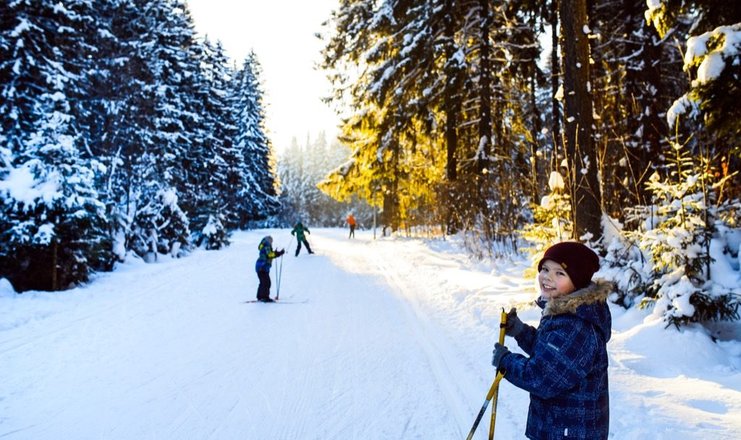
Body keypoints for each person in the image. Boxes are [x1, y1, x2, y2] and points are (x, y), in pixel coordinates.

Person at [491, 241, 612, 440]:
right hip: (560, 426)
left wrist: (506, 362)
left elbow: (541, 378)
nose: (548, 277)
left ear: (577, 282)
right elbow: (552, 354)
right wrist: (521, 332)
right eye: (545, 269)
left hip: (570, 432)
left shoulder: (576, 325)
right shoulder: (567, 311)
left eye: (560, 273)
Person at [255, 236, 284, 302]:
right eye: (271, 241)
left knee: (263, 282)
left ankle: (260, 296)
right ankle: (265, 297)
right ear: (268, 240)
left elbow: (269, 254)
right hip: (262, 267)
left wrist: (277, 253)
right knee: (266, 282)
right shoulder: (267, 245)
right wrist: (278, 253)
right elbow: (270, 255)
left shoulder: (264, 245)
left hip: (261, 267)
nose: (271, 242)